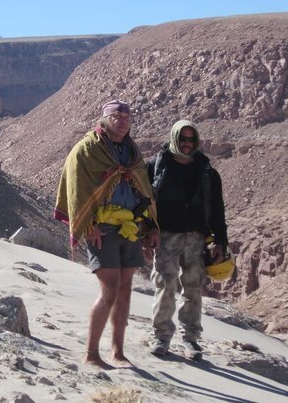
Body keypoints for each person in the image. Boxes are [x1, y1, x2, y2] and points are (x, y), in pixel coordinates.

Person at [54, 100, 160, 368]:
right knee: (109, 290)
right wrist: (88, 224)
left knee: (125, 290)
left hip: (131, 227)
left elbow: (143, 190)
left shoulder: (132, 151)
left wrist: (149, 226)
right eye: (117, 116)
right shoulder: (88, 149)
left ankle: (118, 352)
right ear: (105, 118)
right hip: (103, 228)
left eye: (127, 116)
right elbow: (76, 187)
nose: (123, 120)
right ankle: (91, 354)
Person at [145, 119, 228, 361]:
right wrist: (148, 230)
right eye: (183, 139)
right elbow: (146, 202)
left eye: (192, 139)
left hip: (196, 238)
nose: (187, 144)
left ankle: (191, 339)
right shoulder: (156, 166)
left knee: (193, 288)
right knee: (165, 285)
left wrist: (220, 241)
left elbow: (217, 210)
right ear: (174, 138)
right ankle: (161, 336)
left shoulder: (207, 172)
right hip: (166, 236)